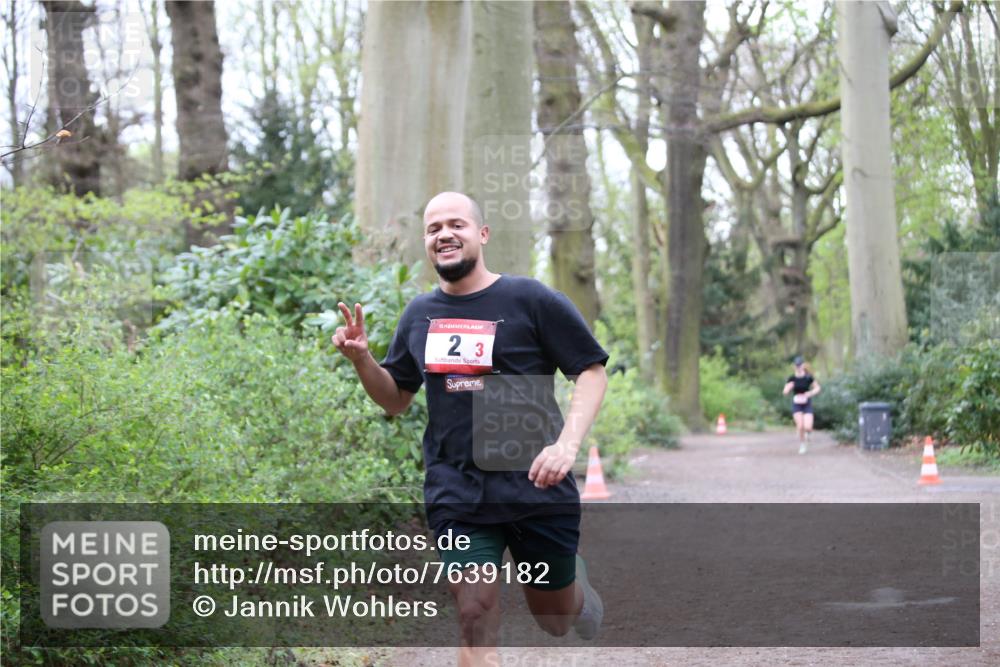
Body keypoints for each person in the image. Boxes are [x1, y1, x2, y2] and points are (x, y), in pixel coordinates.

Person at [331, 192, 609, 665]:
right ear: (426, 242)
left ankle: (576, 592)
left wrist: (567, 444)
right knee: (475, 612)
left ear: (482, 234)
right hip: (458, 489)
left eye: (456, 224)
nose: (444, 234)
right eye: (433, 228)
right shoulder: (419, 314)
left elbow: (590, 370)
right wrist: (363, 361)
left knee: (555, 618)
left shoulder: (531, 299)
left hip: (536, 483)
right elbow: (396, 397)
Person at [783, 356, 821, 454]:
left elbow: (817, 388)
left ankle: (807, 434)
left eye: (800, 365)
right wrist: (788, 388)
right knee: (800, 426)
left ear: (803, 365)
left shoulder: (808, 377)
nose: (798, 367)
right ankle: (802, 444)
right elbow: (785, 392)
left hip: (807, 403)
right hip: (797, 404)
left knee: (808, 427)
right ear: (794, 366)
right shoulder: (792, 378)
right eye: (796, 365)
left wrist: (810, 393)